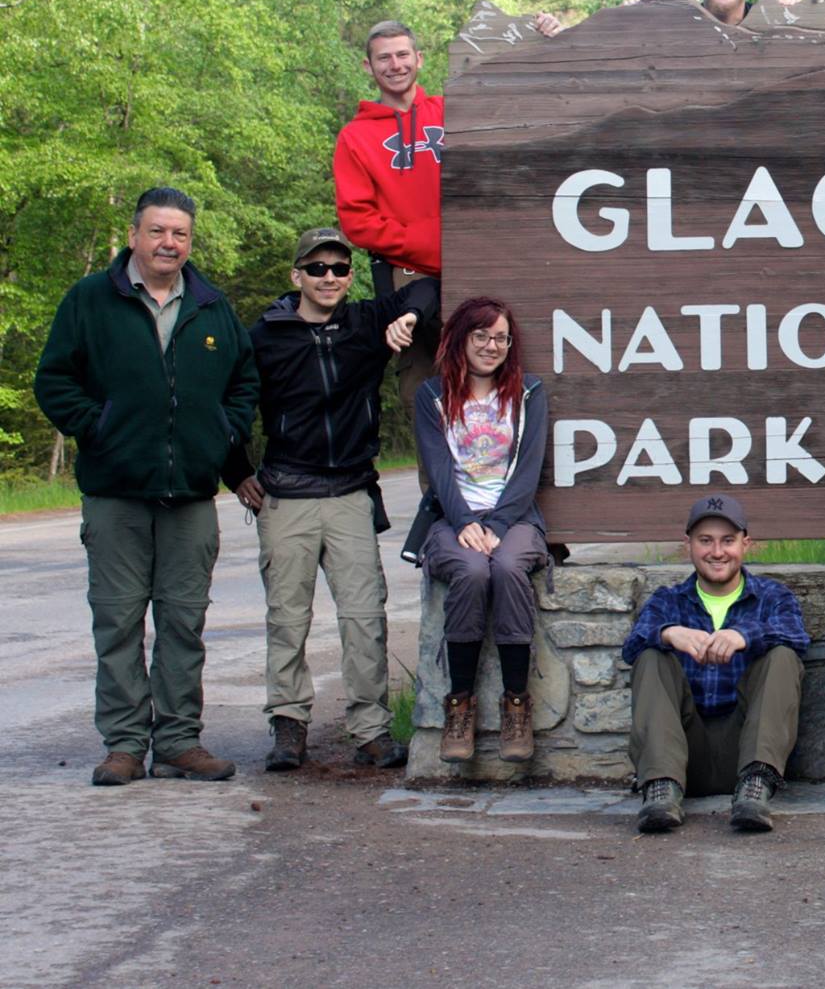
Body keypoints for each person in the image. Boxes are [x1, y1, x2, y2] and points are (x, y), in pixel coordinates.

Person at [33, 187, 259, 786]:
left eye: (180, 234)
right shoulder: (90, 300)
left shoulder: (211, 307)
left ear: (190, 241)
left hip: (189, 495)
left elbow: (244, 382)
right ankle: (126, 745)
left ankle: (181, 741)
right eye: (158, 231)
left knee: (184, 622)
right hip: (115, 494)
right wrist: (97, 426)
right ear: (135, 235)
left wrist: (225, 437)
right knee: (118, 622)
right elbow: (54, 379)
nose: (169, 243)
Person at [222, 228, 436, 773]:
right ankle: (289, 728)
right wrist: (236, 471)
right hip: (287, 494)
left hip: (350, 493)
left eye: (339, 268)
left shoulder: (366, 321)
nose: (329, 277)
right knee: (287, 619)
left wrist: (407, 320)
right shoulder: (264, 336)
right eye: (316, 268)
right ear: (296, 276)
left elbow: (427, 287)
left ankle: (371, 730)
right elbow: (227, 402)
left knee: (365, 617)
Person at [620, 493, 810, 835]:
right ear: (688, 545)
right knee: (650, 654)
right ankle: (661, 788)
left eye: (728, 541)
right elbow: (632, 645)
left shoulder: (772, 596)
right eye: (705, 541)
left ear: (746, 544)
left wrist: (745, 635)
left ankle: (755, 787)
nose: (717, 552)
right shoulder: (668, 600)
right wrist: (669, 633)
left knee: (783, 655)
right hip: (683, 755)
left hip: (747, 749)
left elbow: (797, 635)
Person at [414, 296, 550, 766]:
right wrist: (466, 522)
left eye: (500, 338)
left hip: (514, 519)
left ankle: (516, 704)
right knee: (471, 572)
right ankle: (460, 705)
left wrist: (494, 524)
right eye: (481, 336)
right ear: (460, 339)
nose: (491, 346)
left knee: (510, 567)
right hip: (453, 519)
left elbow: (528, 471)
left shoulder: (528, 394)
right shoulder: (432, 396)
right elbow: (438, 470)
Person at [333, 20, 443, 420]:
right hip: (407, 274)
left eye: (402, 55)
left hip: (475, 263)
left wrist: (547, 37)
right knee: (425, 389)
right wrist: (432, 243)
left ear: (419, 59)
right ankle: (435, 484)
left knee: (492, 373)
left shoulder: (453, 112)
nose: (395, 65)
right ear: (368, 66)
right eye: (384, 57)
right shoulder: (355, 137)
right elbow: (358, 221)